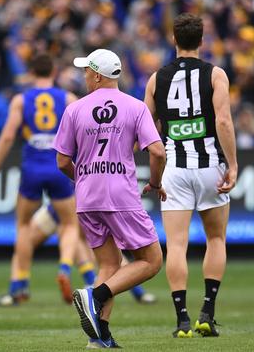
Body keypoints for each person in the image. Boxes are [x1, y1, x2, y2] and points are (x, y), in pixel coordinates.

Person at [55, 48, 166, 348]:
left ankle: (99, 336)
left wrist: (85, 178)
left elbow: (63, 161)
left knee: (109, 264)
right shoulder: (135, 107)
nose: (84, 76)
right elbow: (157, 151)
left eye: (86, 71)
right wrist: (155, 183)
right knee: (152, 261)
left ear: (98, 75)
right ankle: (96, 296)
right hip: (121, 196)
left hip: (87, 198)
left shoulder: (75, 109)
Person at [143, 13, 238, 338]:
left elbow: (148, 128)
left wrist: (154, 173)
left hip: (174, 169)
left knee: (177, 245)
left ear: (174, 40)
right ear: (201, 41)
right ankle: (207, 313)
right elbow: (223, 121)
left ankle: (182, 319)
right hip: (210, 165)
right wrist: (233, 165)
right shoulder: (216, 74)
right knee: (215, 238)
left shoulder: (156, 78)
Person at [0, 54, 80, 305]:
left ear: (31, 73)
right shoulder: (68, 98)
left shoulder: (21, 99)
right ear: (55, 71)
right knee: (70, 225)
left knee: (24, 226)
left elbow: (7, 136)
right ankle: (65, 268)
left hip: (32, 168)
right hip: (60, 168)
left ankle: (20, 284)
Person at [0, 203, 157, 306]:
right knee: (104, 254)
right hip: (79, 199)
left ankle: (17, 289)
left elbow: (62, 162)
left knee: (25, 240)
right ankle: (136, 292)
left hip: (67, 201)